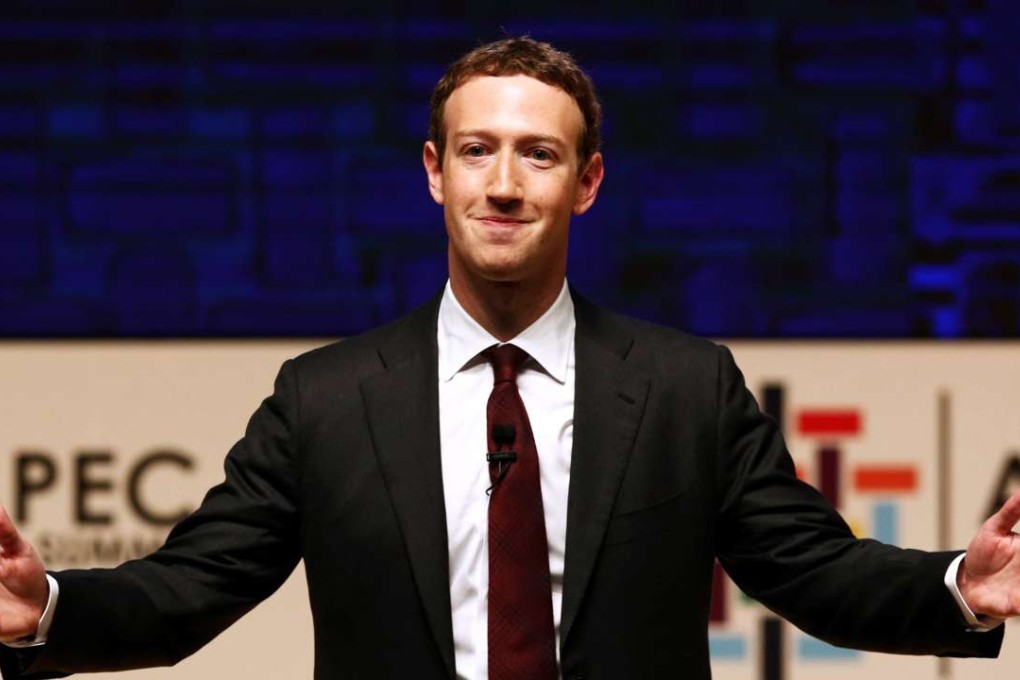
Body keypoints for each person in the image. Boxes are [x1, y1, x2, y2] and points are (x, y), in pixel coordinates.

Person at [1, 36, 1020, 680]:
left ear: (587, 182)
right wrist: (48, 604)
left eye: (538, 153)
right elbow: (191, 587)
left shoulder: (683, 386)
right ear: (434, 174)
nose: (504, 183)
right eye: (477, 150)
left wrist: (956, 587)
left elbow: (814, 570)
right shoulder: (326, 398)